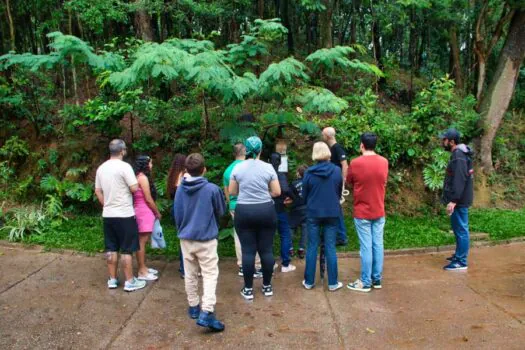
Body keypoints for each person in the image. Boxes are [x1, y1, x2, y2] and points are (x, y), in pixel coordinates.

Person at [173, 153, 226, 332]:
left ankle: (193, 307)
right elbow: (221, 211)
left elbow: (177, 214)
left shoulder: (180, 189)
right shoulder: (212, 189)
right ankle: (207, 311)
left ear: (186, 170)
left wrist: (183, 230)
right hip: (206, 239)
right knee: (210, 274)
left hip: (186, 238)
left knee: (190, 273)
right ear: (204, 170)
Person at [229, 136, 281, 300]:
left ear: (246, 149)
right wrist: (265, 193)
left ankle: (249, 289)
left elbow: (232, 192)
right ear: (260, 150)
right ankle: (267, 286)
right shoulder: (268, 168)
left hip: (244, 211)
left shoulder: (237, 168)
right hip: (266, 210)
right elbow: (277, 192)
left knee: (248, 251)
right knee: (266, 250)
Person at [94, 139, 146, 292]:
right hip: (124, 214)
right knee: (126, 248)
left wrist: (106, 204)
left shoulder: (101, 168)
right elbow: (134, 188)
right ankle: (130, 281)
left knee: (111, 247)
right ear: (122, 150)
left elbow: (97, 190)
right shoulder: (125, 167)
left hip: (108, 214)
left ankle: (112, 279)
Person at [346, 133, 389, 293]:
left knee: (366, 246)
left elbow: (349, 181)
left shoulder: (356, 163)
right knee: (378, 244)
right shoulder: (384, 162)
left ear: (361, 145)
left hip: (362, 211)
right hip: (379, 209)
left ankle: (365, 281)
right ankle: (376, 279)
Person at [302, 142, 343, 292]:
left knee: (312, 246)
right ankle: (332, 283)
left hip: (313, 213)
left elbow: (304, 196)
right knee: (330, 247)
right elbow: (338, 192)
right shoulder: (337, 171)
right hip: (332, 212)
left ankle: (309, 281)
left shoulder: (308, 173)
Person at [223, 143, 262, 278]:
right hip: (250, 204)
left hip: (235, 206)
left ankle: (242, 266)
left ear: (234, 153)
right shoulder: (249, 167)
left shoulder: (228, 170)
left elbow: (227, 191)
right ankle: (256, 265)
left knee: (239, 236)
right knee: (255, 234)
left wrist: (230, 205)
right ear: (246, 152)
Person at [440, 128, 474, 271]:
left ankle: (461, 261)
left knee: (461, 229)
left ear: (452, 141)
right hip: (459, 198)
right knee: (458, 228)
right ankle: (458, 255)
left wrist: (454, 200)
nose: (443, 142)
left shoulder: (459, 155)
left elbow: (460, 179)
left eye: (445, 139)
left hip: (459, 200)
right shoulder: (458, 154)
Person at [132, 155, 161, 282]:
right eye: (150, 163)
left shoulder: (137, 176)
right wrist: (157, 212)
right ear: (145, 164)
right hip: (144, 212)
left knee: (142, 241)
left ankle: (143, 267)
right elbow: (148, 199)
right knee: (141, 242)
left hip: (139, 210)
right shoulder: (143, 178)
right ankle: (142, 271)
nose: (152, 165)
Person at [269, 152, 296, 273]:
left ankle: (270, 263)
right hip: (280, 208)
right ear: (280, 163)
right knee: (285, 235)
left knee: (268, 237)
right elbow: (285, 189)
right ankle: (285, 264)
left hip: (267, 209)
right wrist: (293, 197)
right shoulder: (280, 174)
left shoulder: (265, 172)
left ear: (269, 161)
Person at [322, 127, 349, 246]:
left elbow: (345, 165)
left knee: (336, 209)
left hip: (335, 185)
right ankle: (335, 234)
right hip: (331, 184)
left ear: (328, 136)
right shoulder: (331, 149)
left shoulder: (337, 148)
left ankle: (341, 236)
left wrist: (342, 181)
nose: (322, 136)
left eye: (323, 134)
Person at [167, 153, 188, 278]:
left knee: (182, 238)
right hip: (184, 209)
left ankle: (183, 267)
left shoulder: (172, 176)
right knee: (188, 238)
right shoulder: (184, 176)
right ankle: (186, 269)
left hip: (175, 208)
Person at [289, 165, 309, 259]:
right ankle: (301, 250)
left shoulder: (293, 183)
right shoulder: (310, 183)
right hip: (308, 208)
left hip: (296, 209)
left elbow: (289, 195)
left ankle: (290, 249)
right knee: (305, 230)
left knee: (291, 228)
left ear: (298, 173)